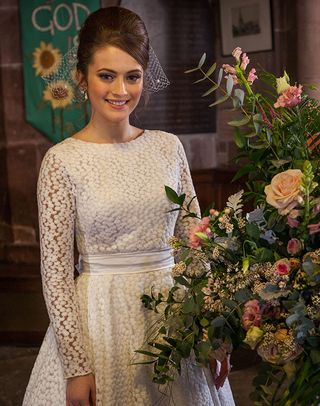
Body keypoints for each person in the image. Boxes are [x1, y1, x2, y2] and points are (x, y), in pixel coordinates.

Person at [23, 6, 235, 406]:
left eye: (132, 76)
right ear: (81, 78)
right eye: (107, 75)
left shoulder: (168, 147)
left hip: (176, 321)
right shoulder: (61, 161)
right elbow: (54, 274)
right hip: (100, 322)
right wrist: (76, 366)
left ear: (145, 77)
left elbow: (195, 246)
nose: (120, 90)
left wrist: (213, 330)